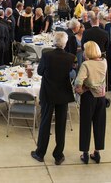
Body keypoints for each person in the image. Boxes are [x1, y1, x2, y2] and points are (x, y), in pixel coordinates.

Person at [31, 32, 75, 165]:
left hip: (48, 93)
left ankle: (40, 153)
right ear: (65, 43)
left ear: (54, 42)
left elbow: (39, 72)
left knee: (45, 123)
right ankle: (58, 155)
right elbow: (70, 73)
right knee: (61, 126)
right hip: (63, 94)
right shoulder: (70, 57)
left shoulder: (47, 55)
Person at [74, 41, 107, 164]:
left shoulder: (86, 64)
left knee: (86, 124)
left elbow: (78, 81)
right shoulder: (104, 62)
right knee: (100, 124)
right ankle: (97, 152)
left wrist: (80, 90)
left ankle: (85, 153)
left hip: (89, 97)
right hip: (101, 97)